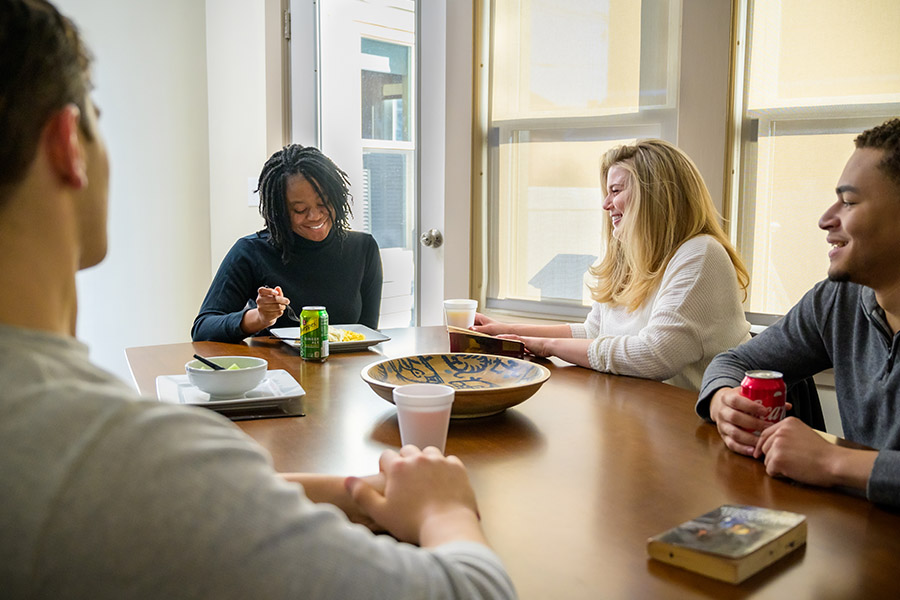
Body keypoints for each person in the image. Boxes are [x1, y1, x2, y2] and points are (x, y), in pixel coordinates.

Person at [0, 2, 515, 598]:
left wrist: (339, 489)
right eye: (99, 116)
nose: (314, 218)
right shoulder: (129, 456)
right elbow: (475, 589)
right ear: (69, 144)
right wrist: (446, 509)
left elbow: (198, 499)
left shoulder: (92, 462)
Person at [697, 118, 900, 509]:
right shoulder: (836, 301)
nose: (826, 219)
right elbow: (736, 360)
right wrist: (723, 400)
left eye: (850, 202)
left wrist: (834, 460)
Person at [474, 139, 751, 391]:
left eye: (616, 191)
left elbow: (655, 355)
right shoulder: (632, 259)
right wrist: (505, 331)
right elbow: (594, 332)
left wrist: (548, 346)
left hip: (699, 425)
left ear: (655, 195)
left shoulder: (700, 254)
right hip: (645, 415)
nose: (606, 205)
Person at [192, 144, 383, 343]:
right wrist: (259, 318)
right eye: (300, 210)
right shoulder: (251, 251)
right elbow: (203, 328)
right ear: (279, 211)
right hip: (276, 372)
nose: (315, 216)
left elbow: (368, 333)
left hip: (344, 371)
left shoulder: (363, 249)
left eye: (323, 203)